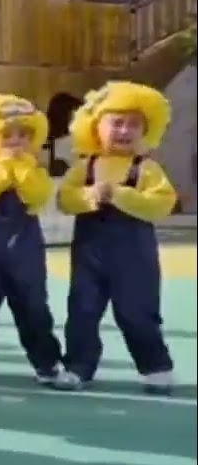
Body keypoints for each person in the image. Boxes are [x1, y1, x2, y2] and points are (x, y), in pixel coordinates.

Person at [55, 81, 177, 393]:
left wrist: (120, 195)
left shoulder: (147, 168)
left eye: (133, 125)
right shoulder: (85, 166)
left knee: (137, 311)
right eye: (116, 123)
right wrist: (89, 196)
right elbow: (65, 200)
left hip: (134, 255)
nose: (124, 131)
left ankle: (155, 366)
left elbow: (162, 203)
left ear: (146, 131)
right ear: (96, 127)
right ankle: (78, 367)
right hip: (88, 254)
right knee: (82, 310)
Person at [0, 93, 63, 385]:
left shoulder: (35, 171)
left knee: (33, 305)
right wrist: (8, 167)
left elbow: (36, 197)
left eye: (23, 135)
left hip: (25, 247)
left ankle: (47, 362)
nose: (16, 141)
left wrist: (22, 168)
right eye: (7, 135)